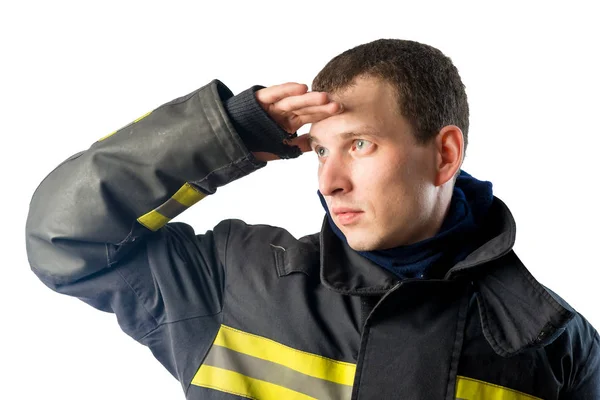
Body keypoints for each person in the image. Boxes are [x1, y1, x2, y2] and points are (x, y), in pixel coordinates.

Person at [25, 39, 599, 399]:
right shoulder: (231, 280)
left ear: (445, 155)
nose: (329, 181)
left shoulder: (554, 343)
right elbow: (64, 239)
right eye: (321, 150)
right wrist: (228, 133)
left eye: (361, 145)